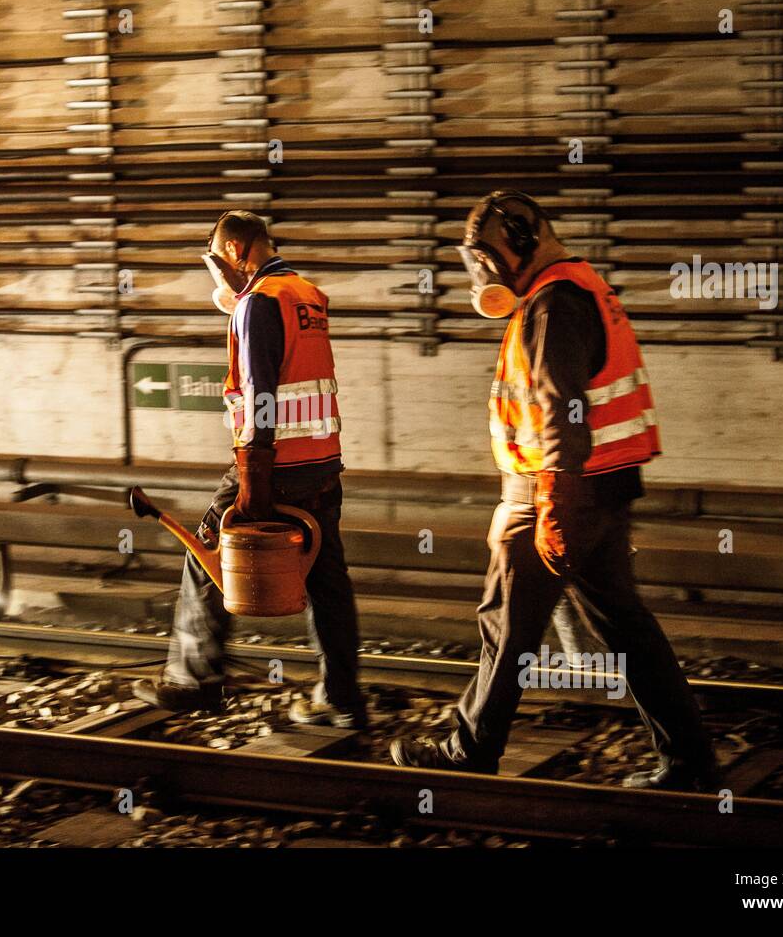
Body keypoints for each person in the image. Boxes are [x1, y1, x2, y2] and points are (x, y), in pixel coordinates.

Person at [389, 191, 720, 791]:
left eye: (486, 255)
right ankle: (690, 763)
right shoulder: (580, 287)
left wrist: (552, 509)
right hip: (598, 489)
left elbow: (560, 413)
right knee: (624, 629)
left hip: (556, 492)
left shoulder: (554, 304)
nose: (483, 271)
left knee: (507, 625)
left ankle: (470, 749)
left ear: (523, 238)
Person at [133, 211, 367, 728]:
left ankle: (196, 681)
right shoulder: (306, 294)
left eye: (219, 261)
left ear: (237, 251)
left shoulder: (257, 302)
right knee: (327, 578)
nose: (219, 274)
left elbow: (262, 392)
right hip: (321, 463)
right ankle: (342, 696)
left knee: (206, 553)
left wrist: (254, 481)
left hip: (271, 463)